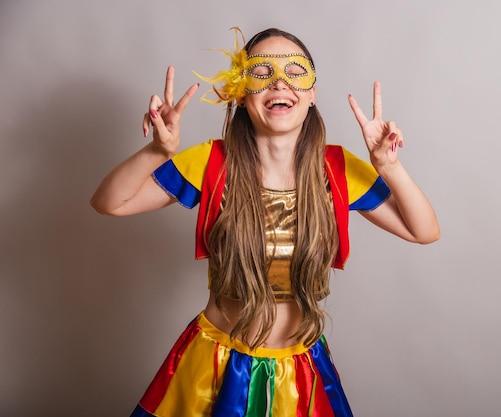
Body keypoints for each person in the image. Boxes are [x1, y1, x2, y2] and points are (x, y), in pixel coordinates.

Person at [91, 27, 439, 417]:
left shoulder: (337, 170)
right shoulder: (210, 163)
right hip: (217, 368)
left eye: (295, 71)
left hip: (301, 373)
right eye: (261, 72)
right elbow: (110, 203)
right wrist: (157, 151)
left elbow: (423, 231)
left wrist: (389, 167)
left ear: (311, 94)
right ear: (241, 93)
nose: (279, 81)